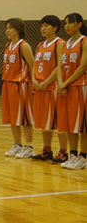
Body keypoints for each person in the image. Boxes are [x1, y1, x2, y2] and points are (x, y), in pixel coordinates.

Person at [31, 15, 68, 162]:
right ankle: (47, 150)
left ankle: (64, 151)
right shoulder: (40, 45)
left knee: (58, 121)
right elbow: (35, 65)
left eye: (46, 26)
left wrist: (47, 81)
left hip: (52, 87)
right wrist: (34, 79)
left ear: (55, 27)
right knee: (44, 121)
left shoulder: (59, 43)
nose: (43, 28)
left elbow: (60, 65)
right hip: (40, 87)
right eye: (41, 26)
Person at [56, 13, 87, 170]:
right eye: (65, 23)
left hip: (80, 86)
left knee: (81, 124)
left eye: (70, 23)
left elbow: (82, 67)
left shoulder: (84, 41)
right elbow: (60, 66)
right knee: (69, 124)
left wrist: (66, 83)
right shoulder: (65, 43)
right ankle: (73, 154)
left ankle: (83, 156)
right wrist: (61, 83)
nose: (67, 26)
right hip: (66, 88)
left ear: (79, 24)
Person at [1, 18, 35, 158]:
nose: (7, 30)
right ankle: (17, 144)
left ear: (18, 30)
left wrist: (33, 86)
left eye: (11, 28)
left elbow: (32, 66)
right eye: (6, 28)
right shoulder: (8, 45)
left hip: (21, 84)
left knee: (24, 117)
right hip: (8, 84)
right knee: (13, 117)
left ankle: (29, 146)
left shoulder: (24, 46)